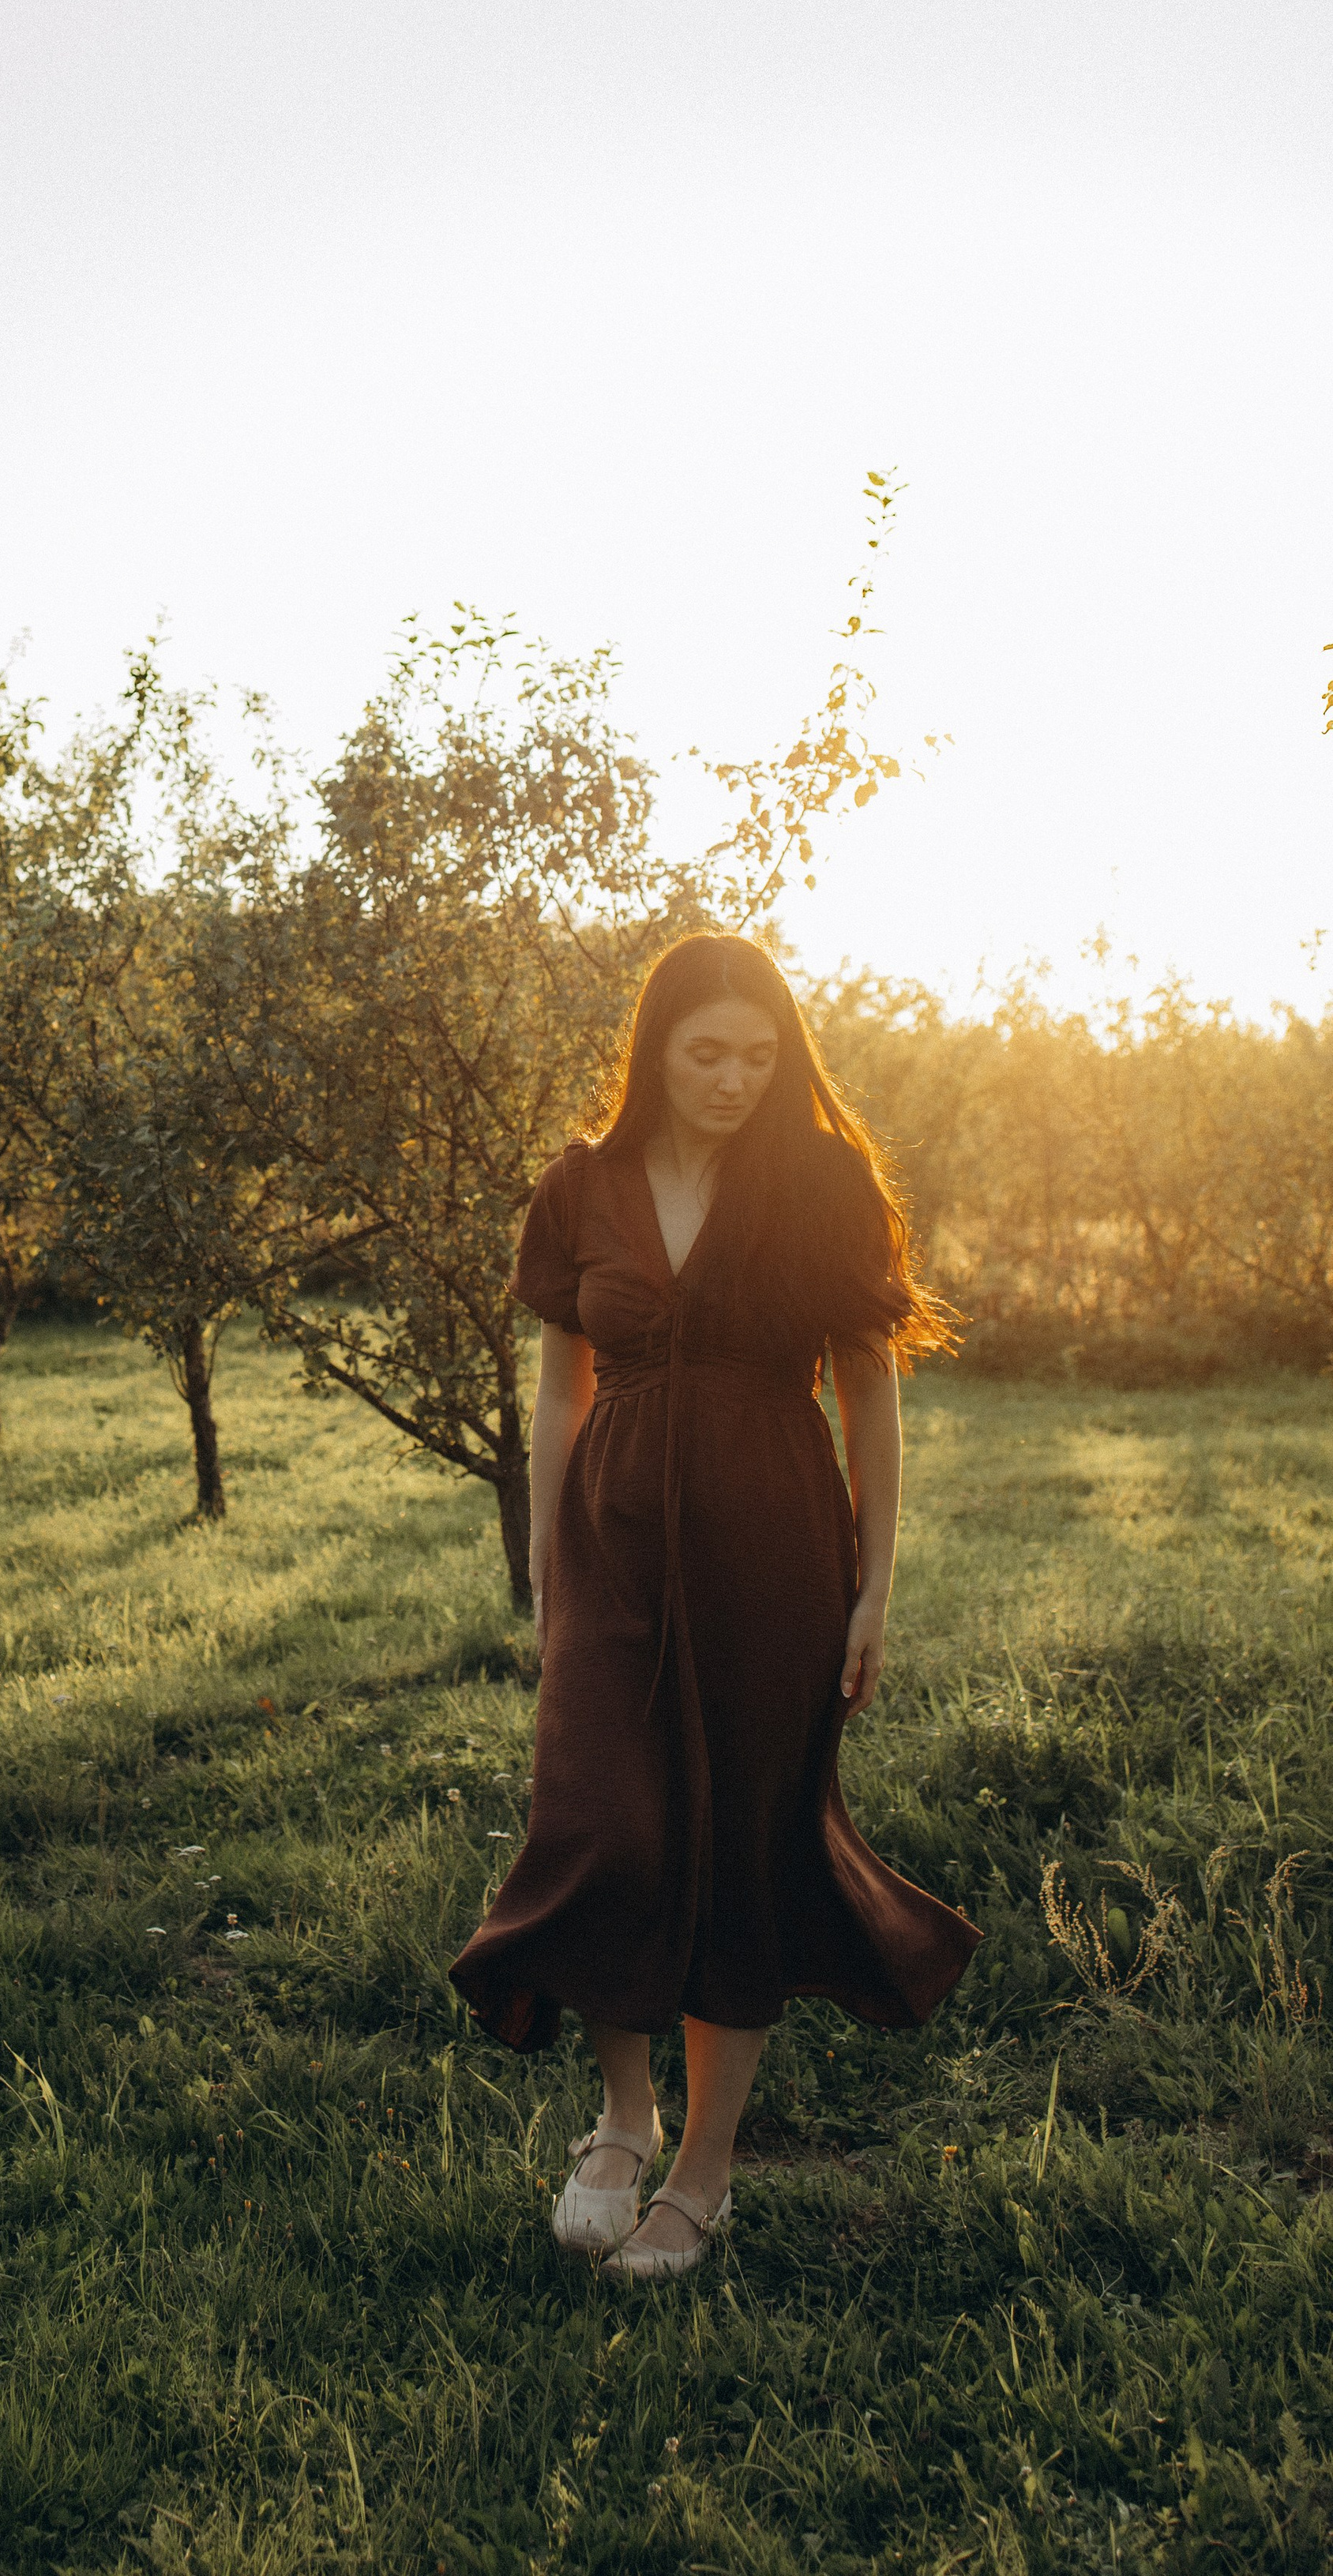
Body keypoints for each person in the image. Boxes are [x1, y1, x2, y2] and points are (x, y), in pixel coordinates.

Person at [448, 931, 979, 2282]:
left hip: (772, 1546)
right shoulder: (582, 1187)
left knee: (741, 1844)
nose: (736, 1079)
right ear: (657, 1053)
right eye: (708, 1054)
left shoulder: (823, 1180)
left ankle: (704, 2174)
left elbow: (869, 1389)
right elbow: (562, 1389)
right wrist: (555, 1567)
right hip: (612, 1545)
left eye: (760, 1054)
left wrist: (874, 1587)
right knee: (604, 1826)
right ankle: (622, 2122)